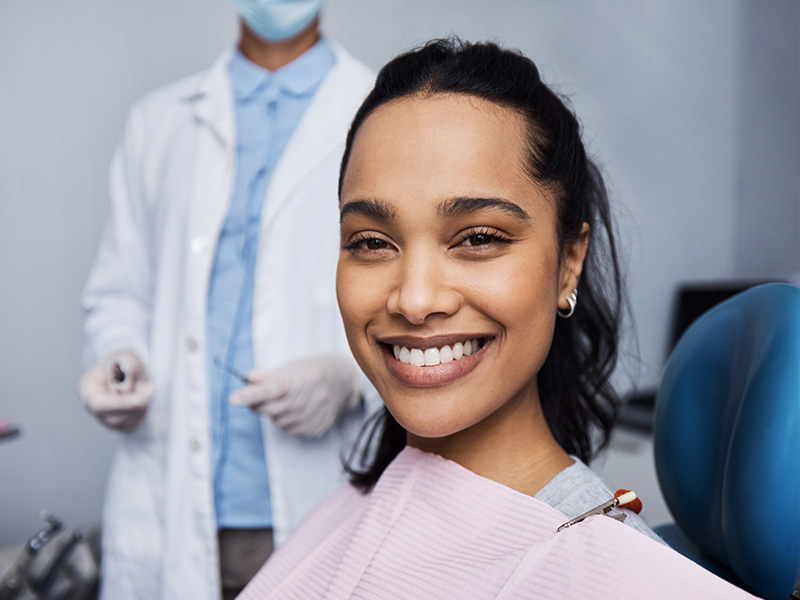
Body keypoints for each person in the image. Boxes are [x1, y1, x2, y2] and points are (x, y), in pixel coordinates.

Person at [237, 38, 758, 598]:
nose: (414, 300)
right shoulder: (340, 515)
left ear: (568, 264)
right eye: (371, 242)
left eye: (479, 238)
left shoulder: (619, 573)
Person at [77, 2, 377, 599]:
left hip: (312, 502)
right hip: (168, 502)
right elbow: (119, 290)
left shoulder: (381, 114)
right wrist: (120, 356)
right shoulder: (158, 121)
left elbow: (419, 297)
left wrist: (353, 379)